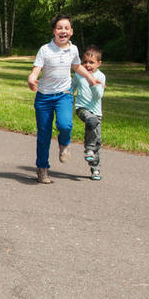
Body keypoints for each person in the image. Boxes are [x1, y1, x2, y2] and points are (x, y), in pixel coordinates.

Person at [27, 14, 100, 184]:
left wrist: (89, 78)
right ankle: (42, 169)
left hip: (64, 95)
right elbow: (36, 69)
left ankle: (64, 144)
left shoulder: (73, 50)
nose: (63, 31)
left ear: (71, 32)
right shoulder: (45, 49)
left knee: (65, 125)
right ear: (54, 31)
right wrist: (31, 78)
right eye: (59, 28)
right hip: (44, 97)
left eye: (66, 28)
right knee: (43, 135)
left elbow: (76, 66)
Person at [71, 45, 106, 180]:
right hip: (82, 108)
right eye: (84, 62)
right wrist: (67, 94)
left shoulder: (101, 77)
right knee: (90, 121)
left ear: (99, 63)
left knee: (97, 139)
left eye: (91, 62)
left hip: (96, 112)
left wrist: (93, 83)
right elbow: (72, 87)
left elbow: (98, 96)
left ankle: (95, 169)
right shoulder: (79, 74)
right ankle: (88, 149)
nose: (87, 65)